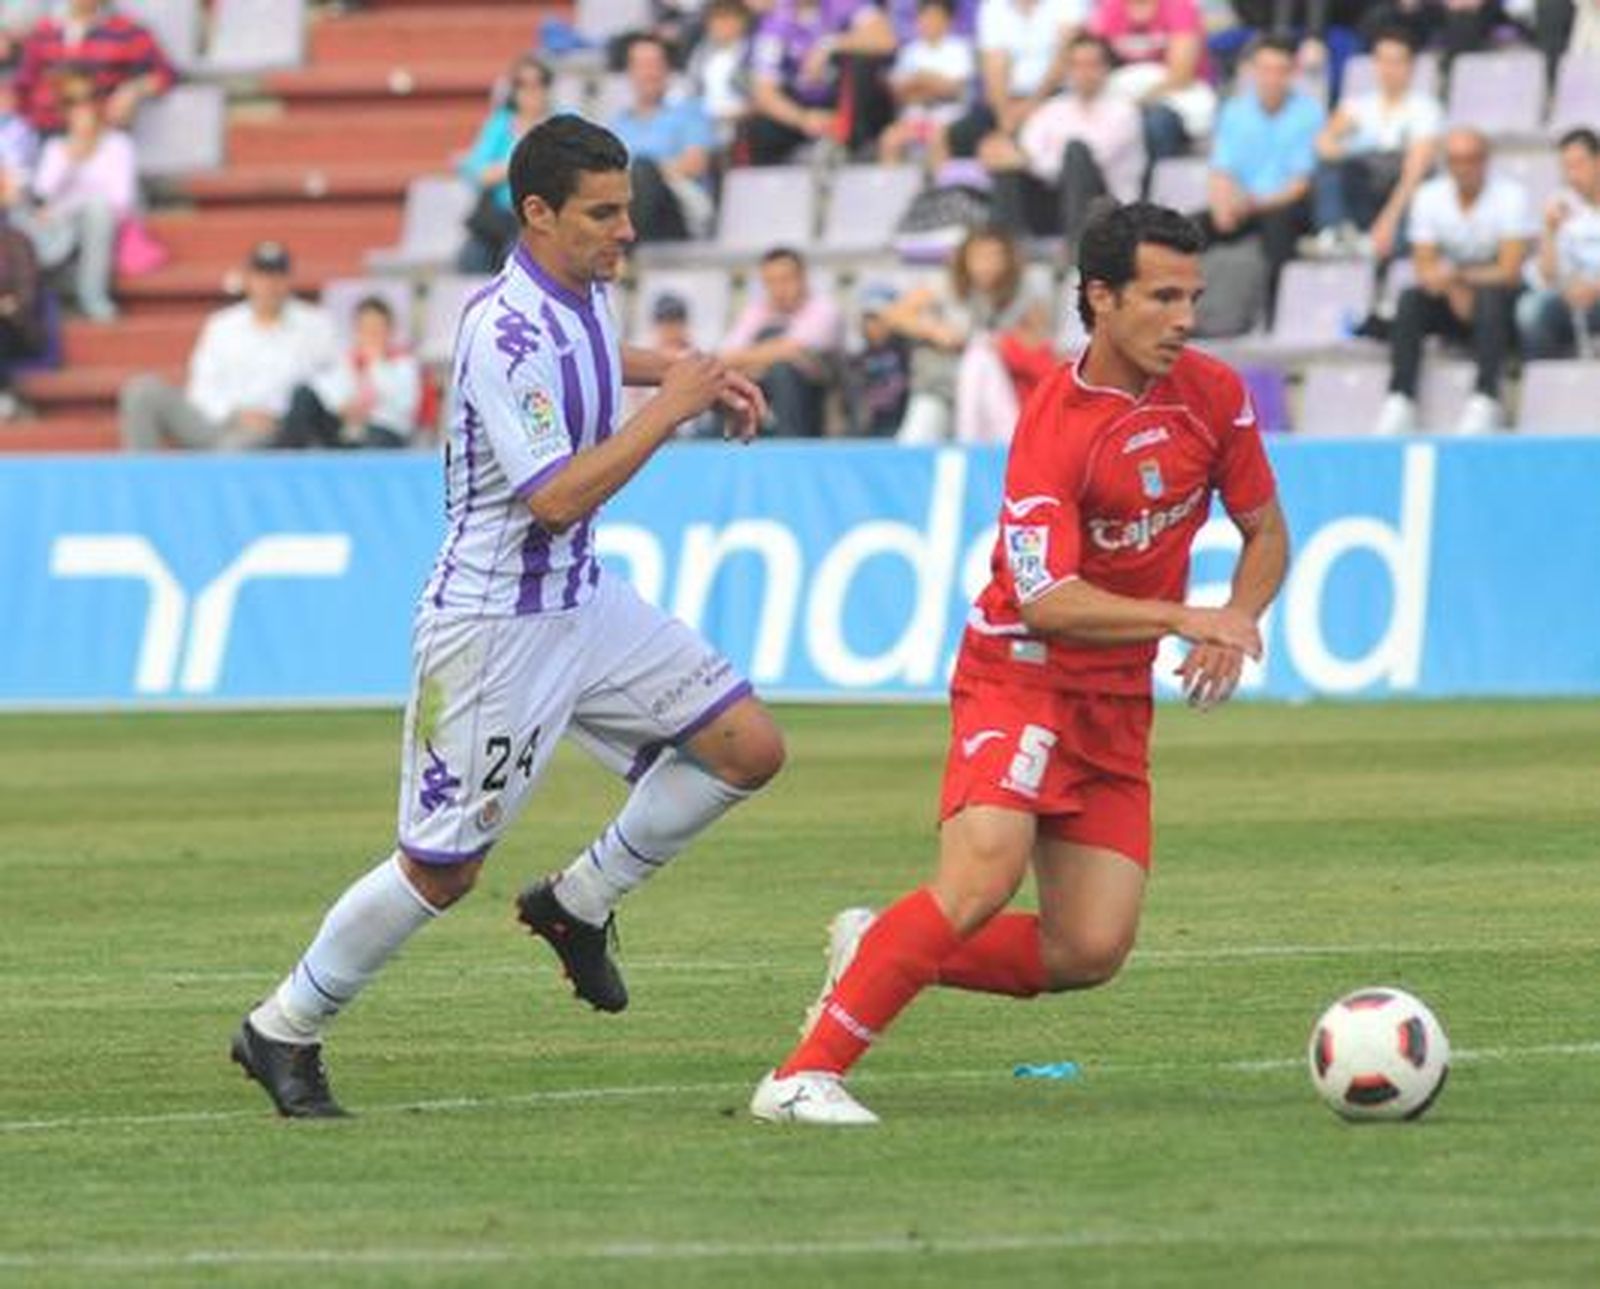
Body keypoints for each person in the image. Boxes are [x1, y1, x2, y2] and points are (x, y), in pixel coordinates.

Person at [230, 116, 782, 1118]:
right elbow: (557, 496)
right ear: (537, 214)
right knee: (441, 869)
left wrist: (680, 370)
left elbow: (599, 353)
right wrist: (674, 407)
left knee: (746, 746)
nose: (625, 231)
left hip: (583, 598)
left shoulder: (579, 292)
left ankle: (577, 900)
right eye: (603, 213)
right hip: (494, 626)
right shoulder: (501, 330)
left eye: (627, 209)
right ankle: (283, 1024)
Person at [749, 201, 1288, 1125]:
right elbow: (1047, 598)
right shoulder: (1057, 423)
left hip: (1114, 699)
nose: (1186, 318)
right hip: (1021, 672)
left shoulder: (1215, 394)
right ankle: (803, 1074)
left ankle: (880, 946)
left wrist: (1238, 611)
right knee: (980, 876)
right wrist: (1182, 615)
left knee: (1090, 947)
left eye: (1192, 297)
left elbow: (1265, 529)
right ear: (1101, 297)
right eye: (1163, 297)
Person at [1376, 127, 1533, 435]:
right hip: (1451, 296)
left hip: (1501, 304)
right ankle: (1400, 397)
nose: (1464, 168)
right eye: (1456, 160)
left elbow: (1510, 269)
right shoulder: (1430, 196)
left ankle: (1486, 396)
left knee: (1491, 296)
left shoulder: (1511, 196)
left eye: (1471, 159)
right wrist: (1453, 286)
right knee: (1410, 299)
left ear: (1486, 161)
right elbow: (1424, 266)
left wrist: (1459, 278)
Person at [119, 241, 338, 450]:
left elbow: (333, 380)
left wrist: (282, 416)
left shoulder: (316, 325)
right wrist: (234, 413)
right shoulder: (222, 325)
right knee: (142, 392)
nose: (270, 284)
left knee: (234, 449)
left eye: (277, 276)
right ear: (248, 279)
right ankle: (139, 479)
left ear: (289, 280)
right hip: (218, 421)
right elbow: (202, 385)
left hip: (274, 429)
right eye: (262, 276)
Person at [884, 225, 1053, 444]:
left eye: (994, 257)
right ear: (965, 259)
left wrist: (1007, 344)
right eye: (979, 257)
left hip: (994, 390)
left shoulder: (1020, 293)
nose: (986, 266)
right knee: (915, 440)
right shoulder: (945, 284)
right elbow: (894, 315)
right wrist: (934, 330)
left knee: (1010, 443)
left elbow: (1040, 344)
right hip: (940, 388)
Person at [981, 33, 1144, 249]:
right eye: (1076, 65)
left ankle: (1077, 252)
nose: (1084, 73)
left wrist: (1028, 161)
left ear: (1107, 68)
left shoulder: (1124, 112)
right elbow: (1026, 151)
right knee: (1007, 168)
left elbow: (1092, 160)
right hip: (1056, 204)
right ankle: (1005, 252)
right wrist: (1019, 159)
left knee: (1076, 152)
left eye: (1092, 65)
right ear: (1068, 70)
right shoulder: (1052, 109)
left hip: (1107, 210)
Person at [1202, 33, 1324, 312]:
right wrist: (1223, 206)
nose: (1272, 78)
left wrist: (1256, 203)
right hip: (1241, 202)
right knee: (1189, 229)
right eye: (1265, 70)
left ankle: (1276, 311)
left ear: (1292, 74)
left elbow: (1300, 183)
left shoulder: (1309, 113)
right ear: (1253, 71)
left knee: (1278, 225)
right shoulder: (1234, 111)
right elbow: (1221, 169)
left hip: (1285, 204)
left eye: (1280, 71)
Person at [1303, 27, 1441, 261]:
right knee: (1329, 169)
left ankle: (1379, 244)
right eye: (1384, 61)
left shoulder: (1425, 109)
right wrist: (1348, 150)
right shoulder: (1357, 106)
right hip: (1363, 183)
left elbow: (1415, 171)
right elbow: (1322, 143)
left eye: (1397, 62)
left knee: (1417, 196)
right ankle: (1333, 233)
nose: (1389, 69)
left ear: (1410, 66)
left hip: (1400, 190)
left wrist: (1388, 219)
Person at [19, 80, 134, 320]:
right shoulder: (56, 148)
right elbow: (42, 195)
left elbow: (122, 201)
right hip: (59, 224)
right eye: (73, 105)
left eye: (87, 102)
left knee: (98, 210)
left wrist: (72, 205)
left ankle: (93, 296)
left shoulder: (118, 145)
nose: (81, 111)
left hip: (102, 222)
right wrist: (72, 156)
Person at [720, 245, 844, 435]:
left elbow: (793, 350)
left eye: (785, 279)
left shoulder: (824, 310)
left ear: (802, 278)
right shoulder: (756, 311)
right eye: (770, 282)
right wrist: (765, 359)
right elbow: (724, 358)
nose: (779, 289)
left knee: (783, 371)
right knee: (727, 379)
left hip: (816, 410)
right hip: (766, 396)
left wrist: (752, 360)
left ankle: (791, 442)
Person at [275, 296, 423, 449]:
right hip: (346, 428)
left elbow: (405, 404)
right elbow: (325, 392)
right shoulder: (346, 361)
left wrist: (375, 362)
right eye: (365, 328)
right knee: (303, 395)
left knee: (375, 440)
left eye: (377, 328)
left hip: (383, 430)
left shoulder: (402, 363)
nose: (371, 334)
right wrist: (344, 407)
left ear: (389, 330)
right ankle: (284, 458)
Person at [944, 0, 1085, 161]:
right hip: (1007, 101)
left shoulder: (1068, 4)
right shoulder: (993, 7)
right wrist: (1004, 116)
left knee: (1039, 139)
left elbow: (1064, 58)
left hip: (1056, 96)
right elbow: (993, 65)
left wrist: (1033, 104)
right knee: (957, 136)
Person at [609, 34, 717, 241]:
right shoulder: (618, 125)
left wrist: (647, 174)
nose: (649, 73)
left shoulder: (690, 111)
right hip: (628, 207)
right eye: (641, 65)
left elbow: (695, 163)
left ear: (667, 70)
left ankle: (621, 250)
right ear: (630, 72)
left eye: (655, 64)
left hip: (679, 207)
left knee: (642, 169)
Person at [14, 0, 173, 136]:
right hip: (46, 136)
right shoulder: (44, 31)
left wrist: (133, 90)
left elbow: (165, 74)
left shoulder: (126, 31)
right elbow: (22, 87)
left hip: (103, 136)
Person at [1089, 0, 1216, 168]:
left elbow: (1181, 74)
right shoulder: (1110, 8)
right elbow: (1090, 57)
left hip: (1177, 99)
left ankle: (1160, 187)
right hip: (1124, 97)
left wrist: (1136, 103)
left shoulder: (1180, 7)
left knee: (1156, 121)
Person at [457, 54, 553, 272]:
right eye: (522, 84)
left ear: (547, 88)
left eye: (538, 83)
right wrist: (520, 161)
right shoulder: (500, 124)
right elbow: (478, 173)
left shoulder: (560, 123)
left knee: (516, 254)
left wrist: (504, 168)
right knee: (470, 258)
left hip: (539, 219)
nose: (530, 90)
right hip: (499, 218)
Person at [1516, 127, 1600, 361]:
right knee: (1530, 309)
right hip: (1570, 297)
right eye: (1567, 167)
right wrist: (1550, 232)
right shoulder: (1559, 205)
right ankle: (1547, 389)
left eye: (1579, 164)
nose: (1573, 175)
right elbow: (1547, 277)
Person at [877, 0, 976, 169]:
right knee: (889, 139)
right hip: (915, 116)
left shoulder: (959, 48)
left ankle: (939, 193)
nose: (929, 22)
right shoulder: (910, 51)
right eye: (924, 17)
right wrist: (931, 82)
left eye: (935, 17)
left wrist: (920, 79)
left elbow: (953, 89)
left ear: (948, 20)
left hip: (947, 118)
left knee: (938, 139)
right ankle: (892, 192)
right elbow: (901, 93)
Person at [843, 279, 912, 435]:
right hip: (866, 431)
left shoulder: (907, 352)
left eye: (879, 318)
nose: (873, 324)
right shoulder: (855, 359)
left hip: (900, 428)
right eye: (868, 318)